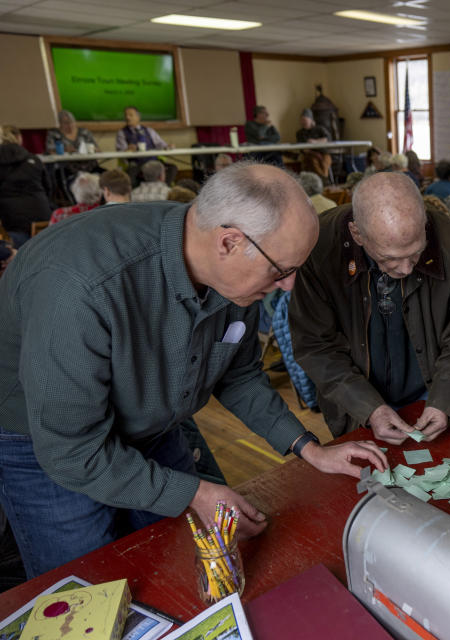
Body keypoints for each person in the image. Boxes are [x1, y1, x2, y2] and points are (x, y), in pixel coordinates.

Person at [0, 162, 387, 578]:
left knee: (186, 565)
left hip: (154, 423)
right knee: (88, 587)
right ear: (229, 242)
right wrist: (192, 493)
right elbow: (71, 452)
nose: (288, 287)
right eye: (281, 271)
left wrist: (310, 450)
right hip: (49, 445)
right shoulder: (80, 287)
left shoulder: (233, 270)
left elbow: (237, 376)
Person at [288, 171, 450, 441]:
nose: (406, 269)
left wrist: (444, 401)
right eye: (390, 258)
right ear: (357, 234)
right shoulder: (319, 248)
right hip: (355, 403)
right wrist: (369, 409)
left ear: (424, 223)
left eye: (416, 252)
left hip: (431, 390)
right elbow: (316, 347)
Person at [0, 125, 51, 247]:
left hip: (12, 227)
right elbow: (49, 189)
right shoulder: (34, 159)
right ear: (19, 138)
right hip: (43, 223)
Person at [45, 110, 99, 174]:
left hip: (89, 167)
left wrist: (92, 149)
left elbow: (98, 150)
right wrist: (65, 150)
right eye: (66, 123)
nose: (70, 125)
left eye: (72, 122)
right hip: (66, 169)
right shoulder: (54, 134)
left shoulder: (84, 132)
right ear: (59, 123)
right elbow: (50, 151)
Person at [295, 109, 332, 181]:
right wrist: (315, 154)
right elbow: (302, 149)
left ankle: (323, 179)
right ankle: (323, 180)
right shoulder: (300, 133)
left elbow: (328, 138)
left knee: (325, 162)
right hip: (310, 154)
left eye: (305, 120)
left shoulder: (320, 129)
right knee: (312, 161)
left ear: (311, 120)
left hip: (323, 153)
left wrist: (316, 141)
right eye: (302, 120)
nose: (303, 122)